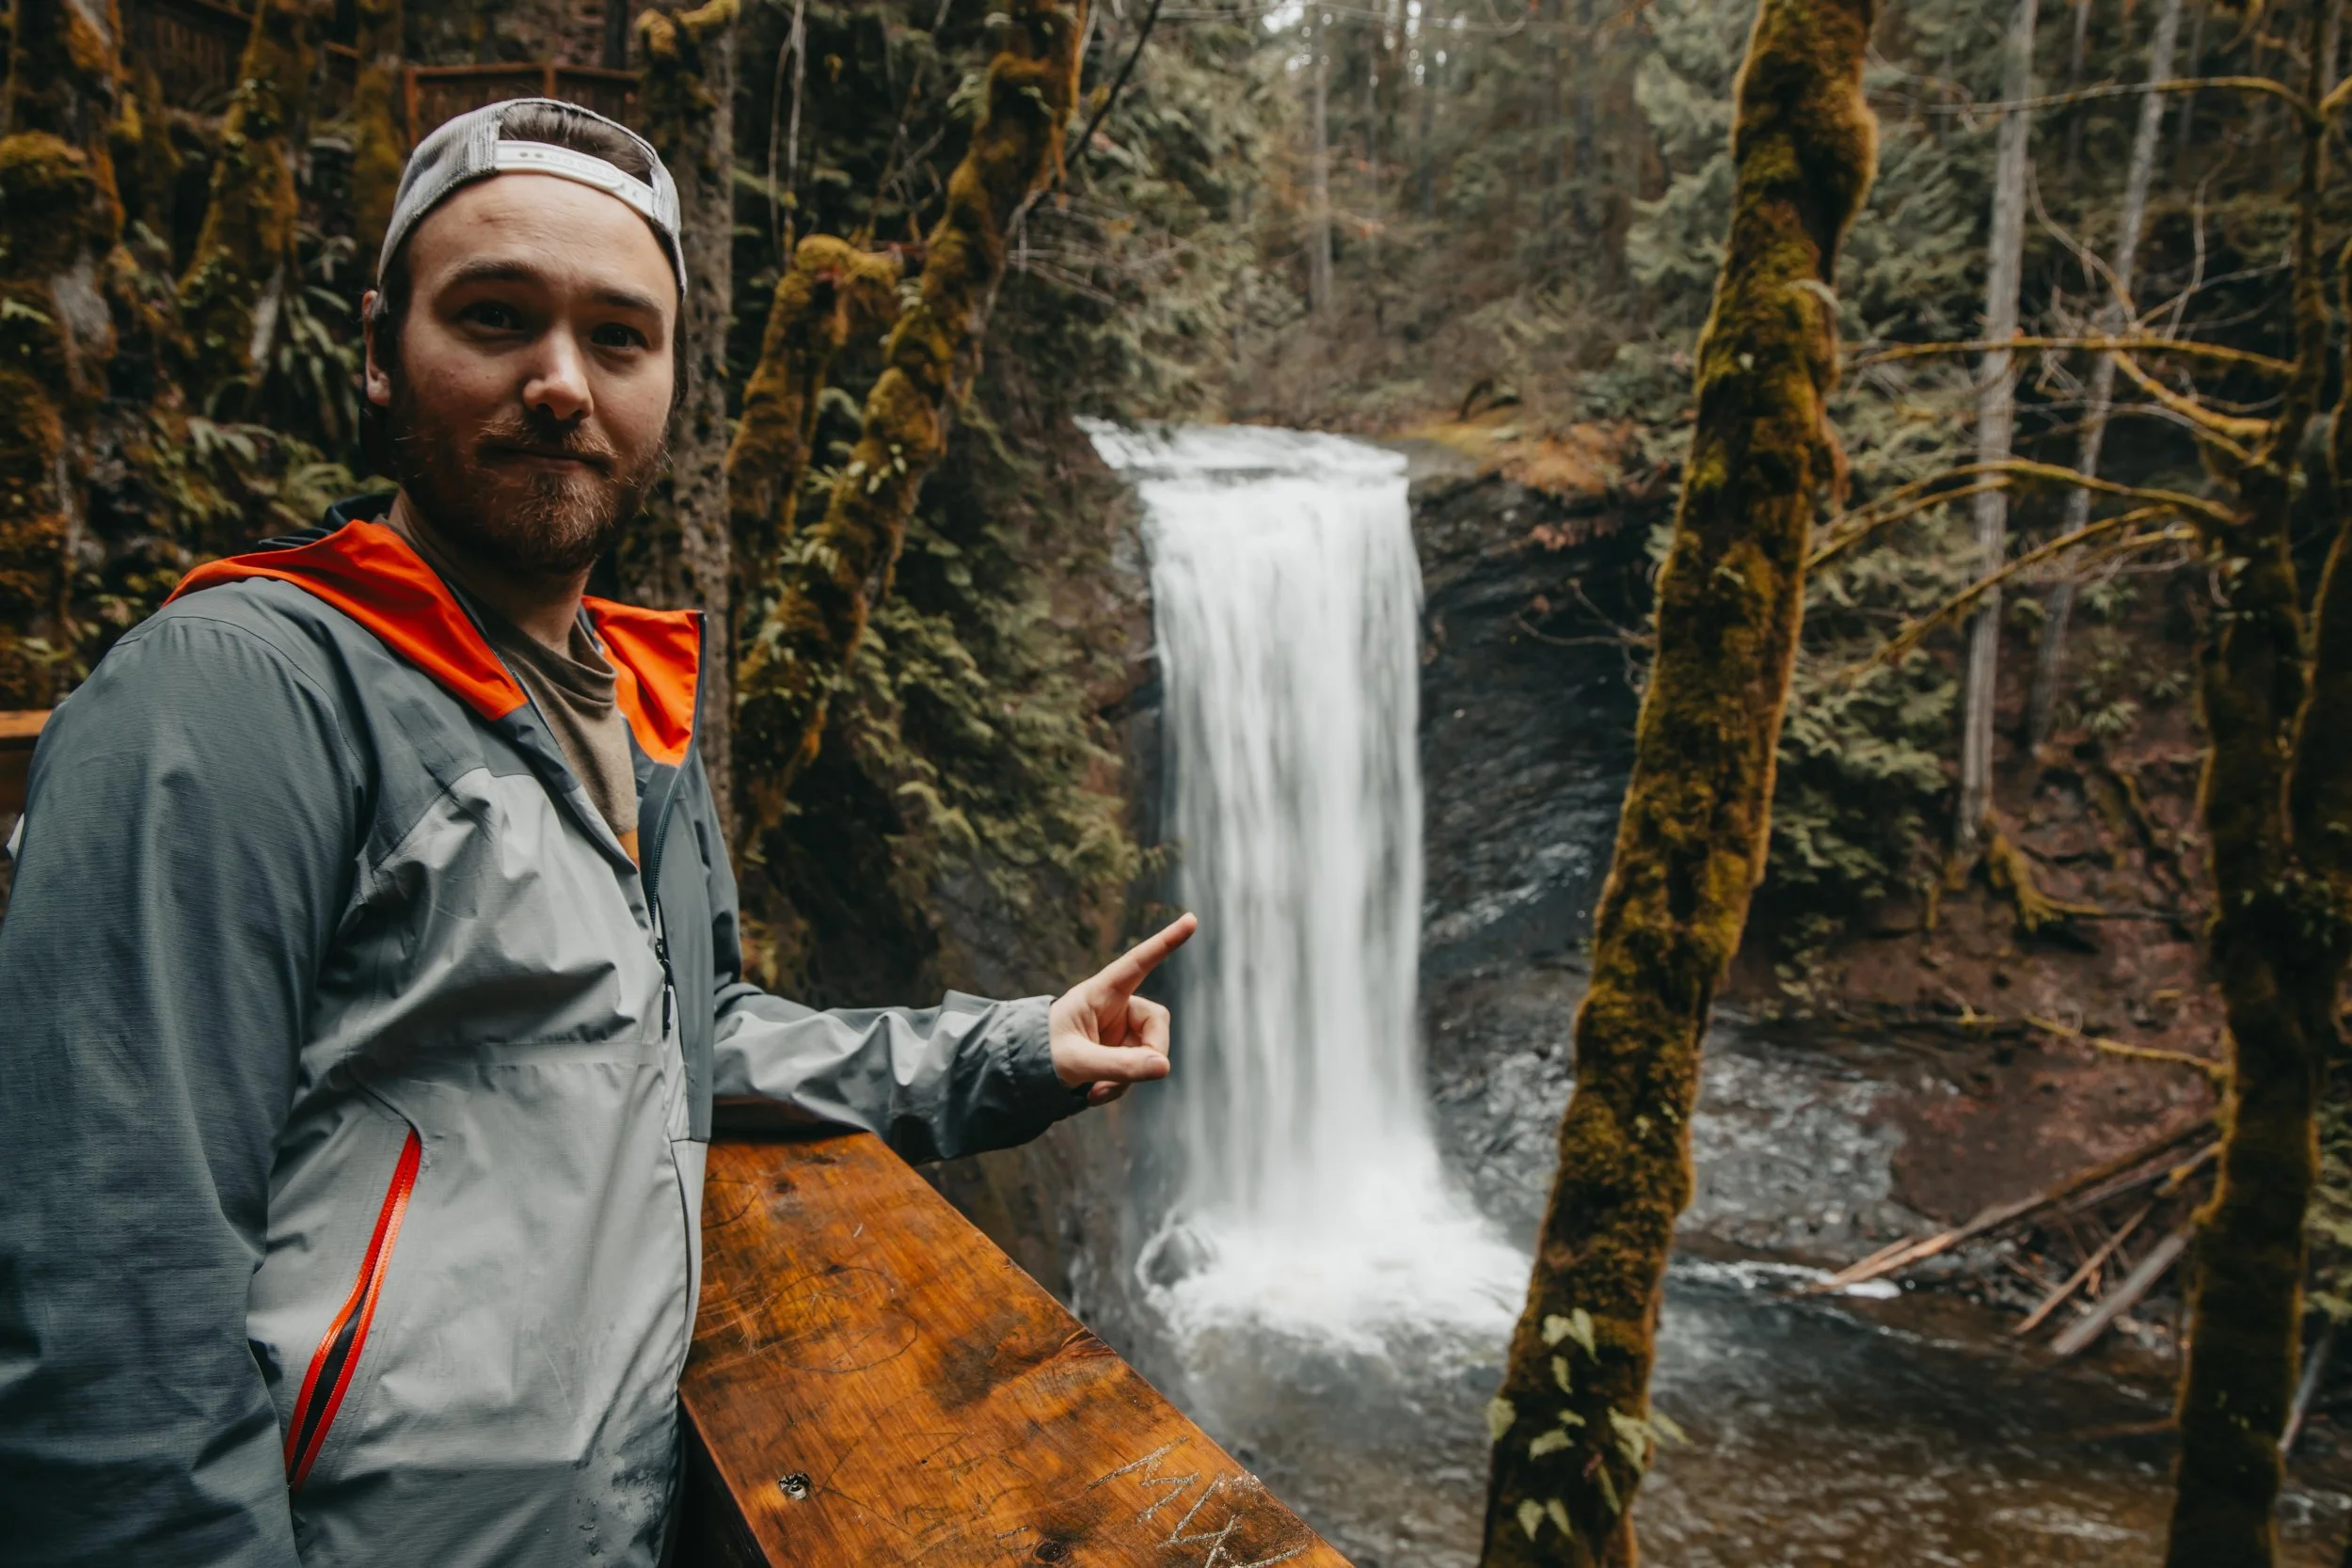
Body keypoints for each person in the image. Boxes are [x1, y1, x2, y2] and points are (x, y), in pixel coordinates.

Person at [0, 98, 1194, 1568]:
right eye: (496, 316)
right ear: (381, 351)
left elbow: (676, 1031)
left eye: (619, 336)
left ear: (672, 379)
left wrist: (1003, 1051)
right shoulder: (234, 698)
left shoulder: (637, 722)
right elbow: (111, 1327)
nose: (561, 382)